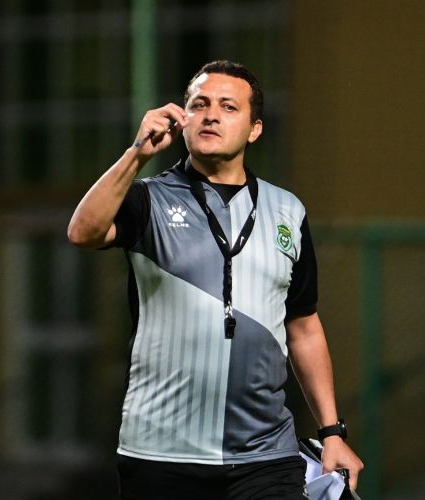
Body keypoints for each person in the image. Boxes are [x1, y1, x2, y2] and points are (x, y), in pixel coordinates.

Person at [68, 60, 363, 500]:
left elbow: (303, 326)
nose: (211, 115)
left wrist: (332, 432)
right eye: (199, 104)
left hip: (266, 455)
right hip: (160, 454)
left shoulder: (288, 210)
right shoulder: (147, 199)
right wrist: (137, 154)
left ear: (255, 129)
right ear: (183, 119)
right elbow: (83, 232)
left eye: (228, 107)